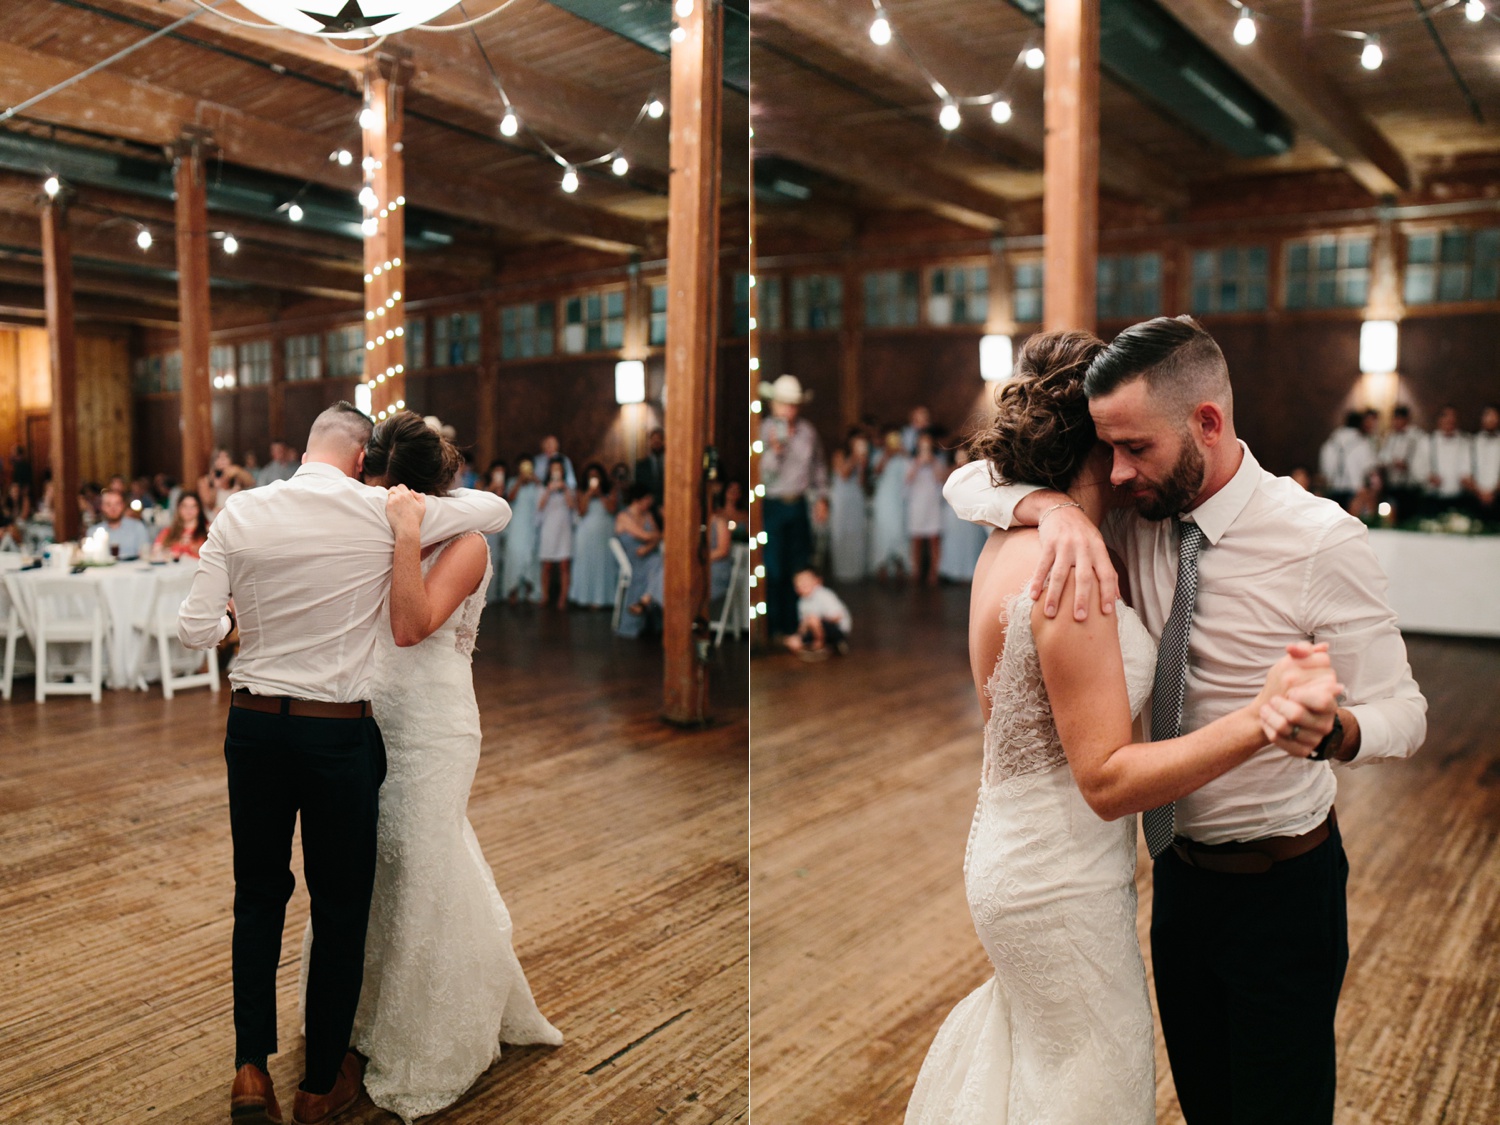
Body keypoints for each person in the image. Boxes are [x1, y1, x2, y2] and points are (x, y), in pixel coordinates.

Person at [943, 316, 1427, 1125]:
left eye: (1136, 447)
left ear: (1206, 421)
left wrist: (1335, 731)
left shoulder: (1318, 538)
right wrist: (1052, 508)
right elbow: (969, 483)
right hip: (1175, 880)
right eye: (1108, 450)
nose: (1120, 470)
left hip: (1282, 888)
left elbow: (1405, 711)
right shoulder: (1127, 514)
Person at [176, 402, 511, 1125]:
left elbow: (193, 629)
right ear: (363, 460)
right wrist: (407, 510)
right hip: (335, 734)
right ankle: (320, 1083)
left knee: (257, 896)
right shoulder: (374, 514)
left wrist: (235, 619)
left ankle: (250, 1070)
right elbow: (494, 508)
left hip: (252, 727)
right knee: (338, 906)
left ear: (306, 447)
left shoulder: (240, 510)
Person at [294, 412, 561, 1122]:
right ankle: (351, 1019)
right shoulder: (377, 520)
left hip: (434, 728)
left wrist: (408, 535)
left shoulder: (467, 543)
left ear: (404, 490)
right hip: (366, 717)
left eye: (381, 486)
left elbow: (411, 625)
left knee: (419, 863)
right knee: (367, 868)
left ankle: (421, 1033)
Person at [758, 374, 826, 637]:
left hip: (799, 505)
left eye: (793, 404)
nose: (789, 409)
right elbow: (761, 475)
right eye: (784, 403)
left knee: (799, 567)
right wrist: (775, 451)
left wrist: (822, 498)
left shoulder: (808, 432)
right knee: (774, 567)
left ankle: (796, 624)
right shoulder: (763, 430)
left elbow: (818, 467)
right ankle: (773, 626)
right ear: (774, 404)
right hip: (772, 505)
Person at [614, 484, 664, 639]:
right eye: (648, 500)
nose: (650, 503)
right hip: (633, 561)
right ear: (638, 500)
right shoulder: (624, 517)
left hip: (649, 557)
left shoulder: (647, 515)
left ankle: (644, 601)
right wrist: (655, 540)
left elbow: (654, 536)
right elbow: (645, 536)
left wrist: (648, 547)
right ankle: (647, 602)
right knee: (660, 565)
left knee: (660, 565)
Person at [569, 462, 619, 609]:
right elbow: (581, 511)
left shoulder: (610, 490)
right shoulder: (581, 491)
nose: (594, 478)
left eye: (596, 476)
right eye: (591, 476)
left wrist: (601, 495)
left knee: (603, 564)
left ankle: (602, 598)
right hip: (586, 533)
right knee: (586, 563)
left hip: (604, 532)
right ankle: (585, 598)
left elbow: (612, 509)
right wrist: (589, 494)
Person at [937, 448, 988, 583]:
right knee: (954, 541)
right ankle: (953, 571)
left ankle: (970, 573)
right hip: (953, 511)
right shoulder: (952, 472)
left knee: (971, 543)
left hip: (969, 509)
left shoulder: (975, 472)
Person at [828, 434, 870, 585]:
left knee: (856, 532)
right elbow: (844, 474)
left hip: (855, 497)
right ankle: (842, 570)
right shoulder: (839, 455)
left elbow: (861, 482)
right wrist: (854, 458)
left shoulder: (861, 458)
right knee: (842, 531)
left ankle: (856, 570)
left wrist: (863, 467)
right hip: (842, 497)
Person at [784, 568, 851, 660]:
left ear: (817, 581)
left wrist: (816, 621)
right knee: (792, 641)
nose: (802, 584)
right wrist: (799, 636)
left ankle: (821, 646)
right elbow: (803, 624)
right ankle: (827, 645)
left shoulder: (824, 595)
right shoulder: (802, 602)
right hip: (816, 629)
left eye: (805, 581)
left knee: (813, 619)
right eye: (798, 582)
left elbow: (837, 617)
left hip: (836, 629)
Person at [906, 431, 946, 585]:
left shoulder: (938, 461)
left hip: (932, 505)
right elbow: (907, 480)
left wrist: (933, 462)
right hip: (917, 505)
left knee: (934, 539)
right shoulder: (911, 461)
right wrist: (918, 464)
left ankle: (933, 572)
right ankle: (915, 571)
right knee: (916, 540)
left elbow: (941, 478)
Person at [869, 429, 910, 581]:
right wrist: (887, 455)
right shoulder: (878, 456)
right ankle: (882, 565)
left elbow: (910, 474)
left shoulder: (902, 458)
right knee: (882, 531)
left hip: (898, 500)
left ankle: (899, 563)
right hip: (883, 500)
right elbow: (876, 472)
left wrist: (904, 453)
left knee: (898, 531)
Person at [537, 457, 576, 611]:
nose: (556, 471)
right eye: (553, 469)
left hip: (564, 529)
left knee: (564, 565)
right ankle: (545, 595)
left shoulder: (569, 488)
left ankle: (563, 597)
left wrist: (564, 489)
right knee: (547, 565)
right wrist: (549, 490)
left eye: (559, 469)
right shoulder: (543, 487)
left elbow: (572, 506)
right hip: (548, 528)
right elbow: (539, 506)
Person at [502, 459, 543, 604]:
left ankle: (529, 589)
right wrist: (520, 481)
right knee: (514, 556)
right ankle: (512, 589)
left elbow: (542, 500)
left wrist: (536, 481)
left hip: (530, 525)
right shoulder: (513, 482)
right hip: (516, 525)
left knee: (529, 556)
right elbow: (510, 497)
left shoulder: (535, 484)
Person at [1317, 410, 1374, 511]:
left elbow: (1324, 470)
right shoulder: (1362, 444)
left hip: (1332, 491)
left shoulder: (1329, 443)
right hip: (1355, 494)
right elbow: (1370, 470)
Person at [1376, 405, 1424, 520]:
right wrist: (1391, 462)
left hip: (1410, 486)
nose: (1396, 422)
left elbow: (1420, 458)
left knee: (1409, 517)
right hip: (1393, 484)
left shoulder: (1416, 436)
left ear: (1406, 419)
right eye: (1394, 419)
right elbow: (1382, 456)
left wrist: (1408, 465)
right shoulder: (1390, 437)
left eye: (1398, 419)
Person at [1423, 404, 1473, 514]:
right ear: (1439, 420)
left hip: (1459, 498)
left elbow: (1467, 467)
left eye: (1453, 417)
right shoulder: (1428, 441)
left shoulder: (1465, 441)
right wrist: (1428, 477)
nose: (1450, 420)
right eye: (1446, 416)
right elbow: (1420, 468)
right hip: (1434, 498)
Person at [1465, 403, 1499, 520]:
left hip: (1498, 498)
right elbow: (1465, 473)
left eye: (1494, 416)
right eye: (1487, 416)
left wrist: (1492, 493)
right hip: (1475, 499)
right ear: (1482, 418)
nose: (1491, 419)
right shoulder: (1471, 442)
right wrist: (1480, 494)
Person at [97, 488, 152, 560]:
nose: (113, 508)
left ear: (123, 505)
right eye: (108, 504)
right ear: (102, 507)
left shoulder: (138, 527)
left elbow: (146, 555)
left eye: (117, 504)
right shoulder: (94, 531)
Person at [153, 492, 209, 560]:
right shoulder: (168, 532)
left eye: (193, 506)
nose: (189, 510)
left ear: (199, 509)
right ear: (179, 508)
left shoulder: (207, 532)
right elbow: (156, 551)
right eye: (185, 506)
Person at [483, 460, 509, 605]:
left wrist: (500, 492)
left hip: (501, 526)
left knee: (498, 559)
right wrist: (491, 488)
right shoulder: (482, 484)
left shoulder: (506, 487)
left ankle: (496, 593)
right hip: (486, 526)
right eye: (497, 471)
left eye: (502, 472)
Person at [633, 427, 666, 513]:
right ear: (649, 442)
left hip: (667, 507)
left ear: (664, 441)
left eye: (659, 439)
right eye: (654, 439)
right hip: (647, 509)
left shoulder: (671, 465)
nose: (656, 442)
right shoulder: (641, 466)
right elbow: (638, 489)